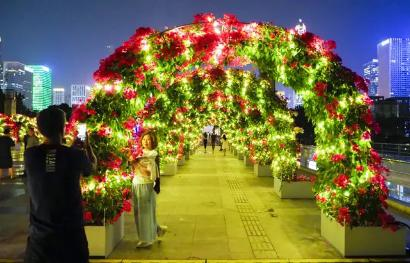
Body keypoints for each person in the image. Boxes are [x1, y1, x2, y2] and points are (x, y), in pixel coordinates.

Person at [24, 106, 97, 263]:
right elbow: (91, 167)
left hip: (40, 241)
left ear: (40, 129)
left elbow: (52, 161)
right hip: (71, 238)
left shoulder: (30, 155)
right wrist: (87, 146)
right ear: (63, 128)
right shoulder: (75, 155)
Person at [131, 130, 166, 248]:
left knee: (144, 212)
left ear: (153, 141)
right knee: (141, 211)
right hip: (137, 183)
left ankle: (146, 239)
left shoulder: (151, 155)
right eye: (144, 139)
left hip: (145, 185)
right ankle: (157, 229)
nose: (146, 142)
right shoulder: (140, 153)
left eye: (149, 140)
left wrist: (135, 163)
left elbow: (147, 174)